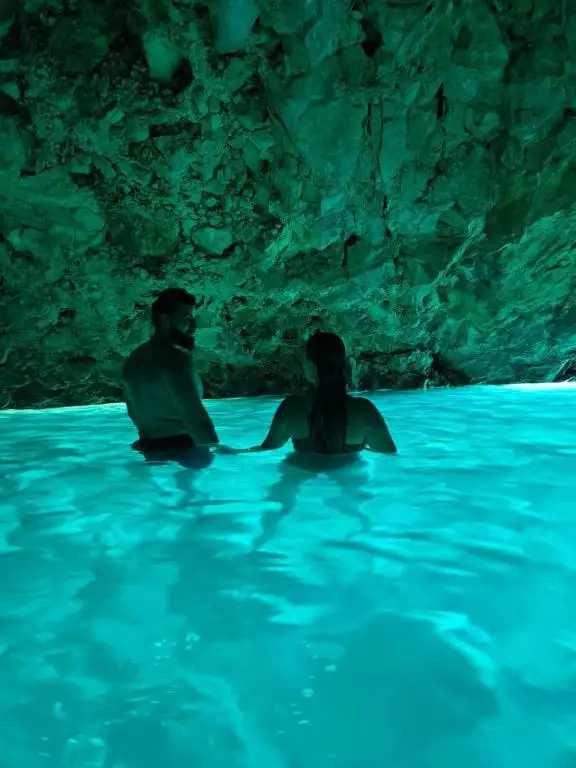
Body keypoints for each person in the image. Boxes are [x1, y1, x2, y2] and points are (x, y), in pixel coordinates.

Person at [220, 331, 397, 456]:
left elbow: (267, 448)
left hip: (301, 474)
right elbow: (389, 455)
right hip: (348, 478)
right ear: (344, 365)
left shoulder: (291, 408)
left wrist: (234, 451)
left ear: (310, 367)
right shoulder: (364, 411)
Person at [122, 288, 219, 461]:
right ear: (164, 319)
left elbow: (133, 413)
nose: (193, 326)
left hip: (147, 450)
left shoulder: (133, 361)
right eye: (186, 317)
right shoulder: (175, 358)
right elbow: (197, 420)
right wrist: (215, 457)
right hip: (185, 450)